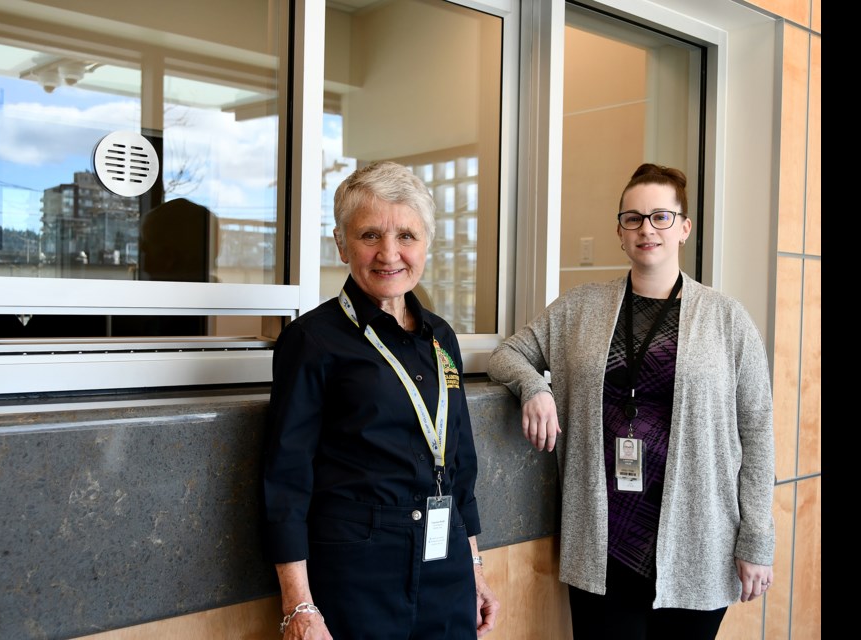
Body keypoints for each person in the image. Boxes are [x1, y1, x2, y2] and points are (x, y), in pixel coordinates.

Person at [486, 163, 774, 639]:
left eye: (661, 217)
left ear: (684, 228)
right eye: (633, 218)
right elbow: (508, 354)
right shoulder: (579, 308)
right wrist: (535, 387)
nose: (647, 229)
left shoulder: (728, 319)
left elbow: (758, 434)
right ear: (620, 232)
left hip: (698, 541)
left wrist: (757, 540)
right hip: (605, 539)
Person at [262, 161, 500, 639]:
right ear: (342, 243)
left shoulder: (441, 338)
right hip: (358, 569)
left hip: (445, 561)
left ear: (426, 244)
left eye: (407, 236)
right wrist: (298, 605)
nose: (389, 253)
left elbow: (460, 464)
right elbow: (285, 480)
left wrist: (473, 569)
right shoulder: (312, 340)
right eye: (370, 235)